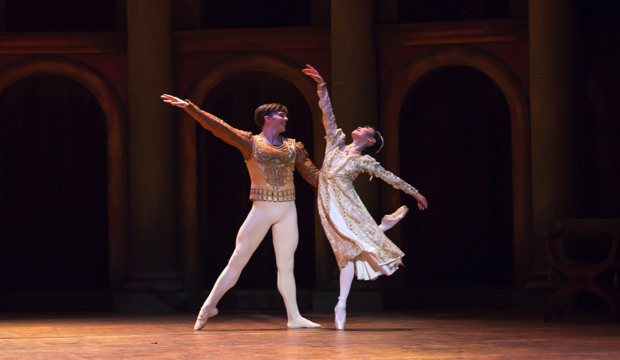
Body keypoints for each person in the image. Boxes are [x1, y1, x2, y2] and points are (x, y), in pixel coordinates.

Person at [161, 94, 321, 330]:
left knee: (286, 265)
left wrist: (339, 176)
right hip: (262, 209)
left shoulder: (294, 147)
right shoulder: (250, 142)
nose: (286, 118)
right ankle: (208, 306)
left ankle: (294, 317)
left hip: (288, 210)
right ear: (267, 119)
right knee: (238, 260)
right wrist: (191, 108)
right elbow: (219, 128)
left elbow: (313, 176)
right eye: (281, 115)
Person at [302, 65, 428, 330]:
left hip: (346, 204)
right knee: (346, 250)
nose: (359, 127)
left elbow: (388, 176)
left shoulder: (364, 160)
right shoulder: (335, 143)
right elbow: (328, 116)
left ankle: (341, 304)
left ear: (370, 141)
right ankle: (379, 228)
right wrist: (321, 86)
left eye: (365, 128)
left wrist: (414, 192)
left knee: (346, 253)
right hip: (327, 202)